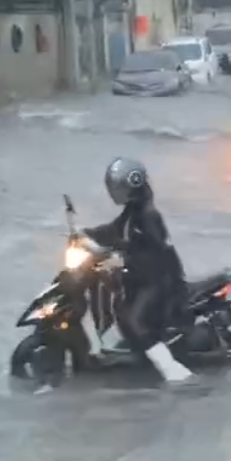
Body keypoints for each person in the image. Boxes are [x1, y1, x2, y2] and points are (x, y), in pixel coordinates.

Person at [83, 157, 193, 383]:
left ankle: (173, 371)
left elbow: (156, 251)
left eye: (116, 188)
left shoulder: (148, 216)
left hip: (159, 279)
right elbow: (114, 230)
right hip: (142, 275)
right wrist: (86, 234)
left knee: (135, 319)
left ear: (129, 187)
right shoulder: (133, 212)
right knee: (118, 305)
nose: (112, 192)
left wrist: (119, 254)